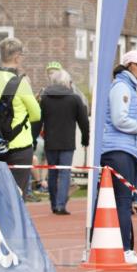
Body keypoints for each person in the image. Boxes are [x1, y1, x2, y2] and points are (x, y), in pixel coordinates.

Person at [100, 50, 137, 264]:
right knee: (123, 200)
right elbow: (119, 119)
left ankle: (108, 245)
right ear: (128, 66)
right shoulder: (122, 87)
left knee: (114, 201)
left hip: (126, 150)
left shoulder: (132, 87)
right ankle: (124, 249)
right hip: (119, 150)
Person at [0, 38, 42, 199]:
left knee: (0, 194)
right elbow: (36, 114)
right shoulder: (21, 83)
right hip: (20, 145)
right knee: (18, 194)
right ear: (17, 57)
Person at [40, 68, 89, 214]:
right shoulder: (74, 99)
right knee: (64, 173)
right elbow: (84, 121)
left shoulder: (45, 98)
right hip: (67, 142)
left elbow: (38, 119)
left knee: (52, 173)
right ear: (67, 82)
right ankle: (61, 204)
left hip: (50, 141)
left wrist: (34, 139)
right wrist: (85, 140)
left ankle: (54, 203)